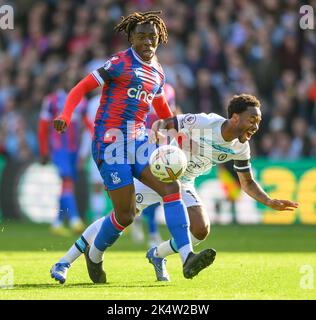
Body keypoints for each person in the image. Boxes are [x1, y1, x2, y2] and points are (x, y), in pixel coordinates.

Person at [50, 94, 298, 284]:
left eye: (258, 121)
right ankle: (65, 261)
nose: (255, 126)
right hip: (159, 175)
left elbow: (247, 182)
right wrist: (160, 148)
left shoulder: (241, 147)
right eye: (252, 120)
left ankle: (157, 254)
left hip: (183, 182)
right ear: (235, 118)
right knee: (120, 218)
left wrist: (269, 202)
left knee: (201, 229)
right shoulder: (205, 122)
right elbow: (163, 123)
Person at [51, 11, 215, 284]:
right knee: (125, 215)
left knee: (171, 186)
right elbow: (81, 87)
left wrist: (179, 135)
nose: (148, 42)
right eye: (141, 37)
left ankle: (187, 257)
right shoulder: (118, 63)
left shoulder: (158, 71)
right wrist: (66, 115)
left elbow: (163, 110)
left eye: (152, 37)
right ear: (131, 38)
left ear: (159, 39)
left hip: (138, 142)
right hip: (110, 143)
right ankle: (95, 255)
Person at [38, 76, 93, 235]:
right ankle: (75, 219)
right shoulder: (51, 100)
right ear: (61, 81)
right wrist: (43, 150)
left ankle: (57, 223)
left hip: (73, 149)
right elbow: (42, 127)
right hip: (58, 148)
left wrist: (97, 138)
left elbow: (88, 124)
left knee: (67, 185)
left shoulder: (81, 102)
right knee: (67, 181)